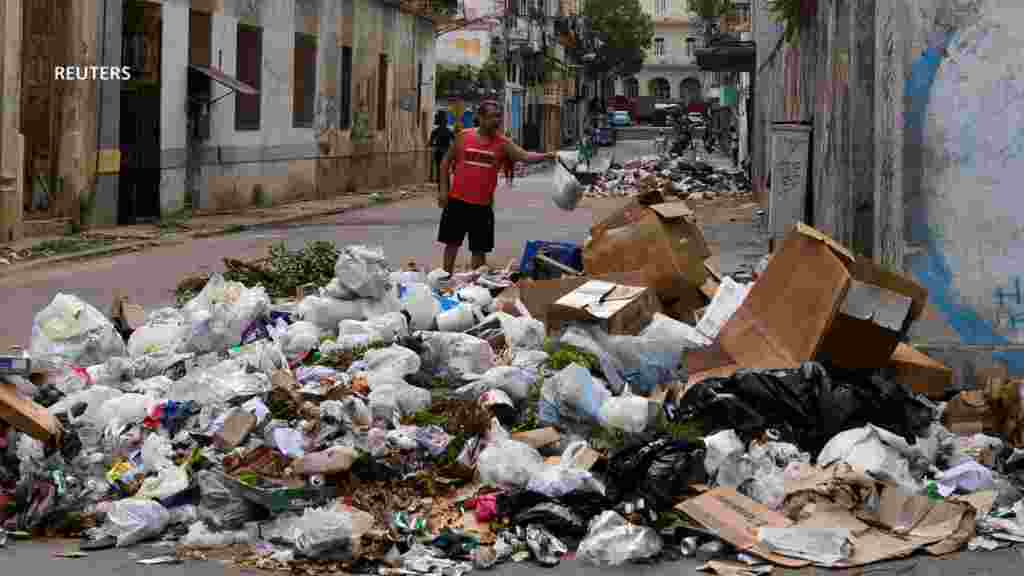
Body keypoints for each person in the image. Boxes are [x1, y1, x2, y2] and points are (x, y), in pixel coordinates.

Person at [437, 100, 557, 274]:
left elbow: (524, 156)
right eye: (492, 117)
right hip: (457, 201)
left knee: (479, 250)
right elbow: (445, 162)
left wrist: (547, 155)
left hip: (482, 206)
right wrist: (443, 191)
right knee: (451, 244)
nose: (497, 121)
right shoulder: (464, 136)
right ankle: (445, 278)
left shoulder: (503, 143)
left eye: (499, 117)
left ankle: (476, 286)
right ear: (480, 117)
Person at [429, 112, 453, 183]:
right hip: (446, 152)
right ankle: (444, 181)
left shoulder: (435, 131)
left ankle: (439, 180)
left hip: (439, 151)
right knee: (445, 168)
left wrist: (432, 145)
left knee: (439, 167)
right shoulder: (449, 131)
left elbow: (431, 142)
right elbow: (455, 141)